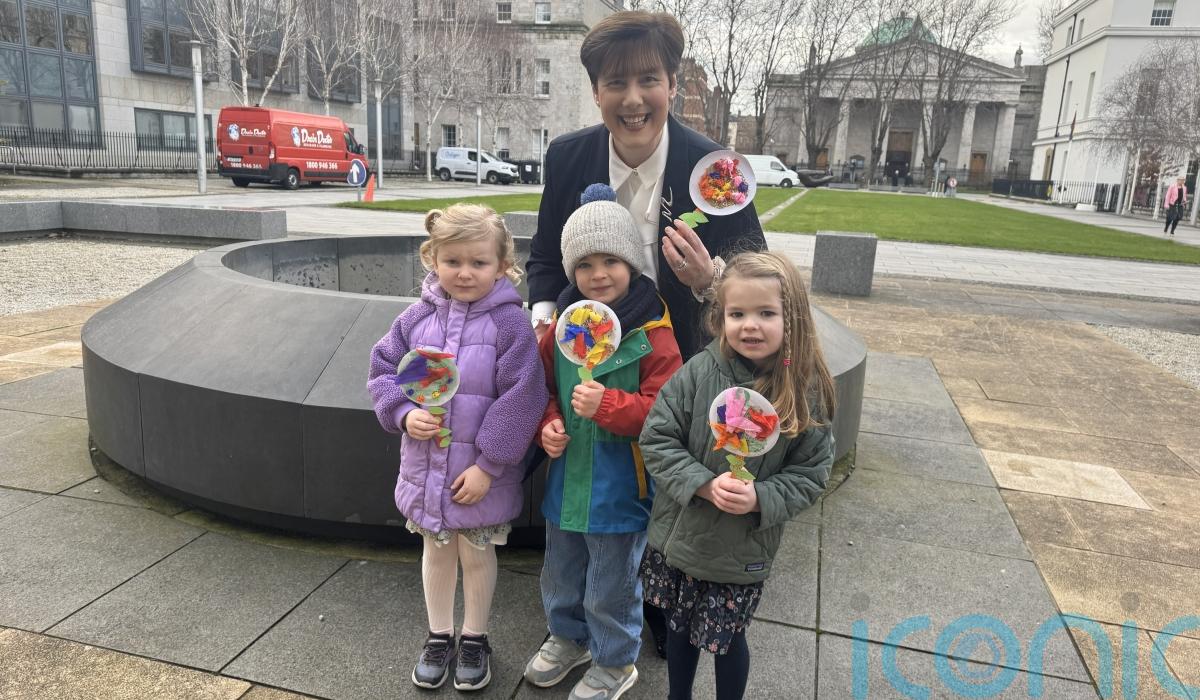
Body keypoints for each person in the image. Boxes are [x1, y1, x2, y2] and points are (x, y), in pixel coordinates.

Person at [638, 252, 836, 700]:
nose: (750, 326)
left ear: (793, 318)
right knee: (679, 629)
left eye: (766, 313)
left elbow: (810, 473)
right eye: (737, 314)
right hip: (683, 538)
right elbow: (657, 438)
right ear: (720, 316)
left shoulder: (804, 391)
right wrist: (702, 484)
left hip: (740, 550)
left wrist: (762, 497)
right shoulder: (699, 372)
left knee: (728, 641)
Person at [367, 204, 548, 691]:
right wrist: (403, 413)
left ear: (502, 265)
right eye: (453, 261)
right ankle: (438, 634)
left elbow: (523, 396)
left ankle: (475, 637)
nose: (464, 273)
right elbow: (382, 370)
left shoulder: (510, 325)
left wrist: (489, 465)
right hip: (426, 468)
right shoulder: (415, 318)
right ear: (433, 258)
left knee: (477, 553)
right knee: (436, 551)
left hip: (478, 476)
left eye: (478, 262)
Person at [526, 10, 765, 362]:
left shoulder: (720, 173)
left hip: (688, 361)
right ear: (596, 92)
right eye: (616, 83)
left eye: (649, 79)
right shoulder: (567, 157)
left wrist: (708, 280)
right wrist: (543, 325)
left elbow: (760, 278)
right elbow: (547, 256)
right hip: (585, 356)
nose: (633, 99)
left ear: (672, 85)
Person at [525, 185, 683, 700]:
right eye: (585, 264)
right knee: (562, 572)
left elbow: (666, 413)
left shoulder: (653, 333)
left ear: (631, 263)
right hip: (568, 481)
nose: (599, 274)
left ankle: (616, 660)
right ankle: (568, 638)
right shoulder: (562, 329)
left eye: (611, 261)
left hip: (622, 489)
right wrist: (548, 424)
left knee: (611, 584)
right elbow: (544, 390)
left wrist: (610, 406)